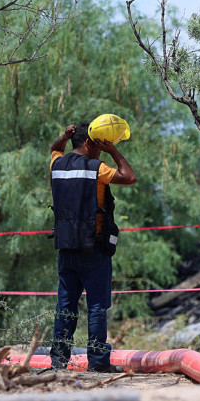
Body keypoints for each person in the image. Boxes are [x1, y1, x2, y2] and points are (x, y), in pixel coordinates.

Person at [48, 114, 138, 372]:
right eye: (99, 146)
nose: (101, 151)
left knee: (65, 307)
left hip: (66, 248)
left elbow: (54, 148)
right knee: (97, 307)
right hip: (94, 250)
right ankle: (98, 363)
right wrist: (114, 150)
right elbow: (129, 176)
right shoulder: (96, 169)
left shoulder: (57, 165)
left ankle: (58, 362)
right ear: (90, 143)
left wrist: (64, 136)